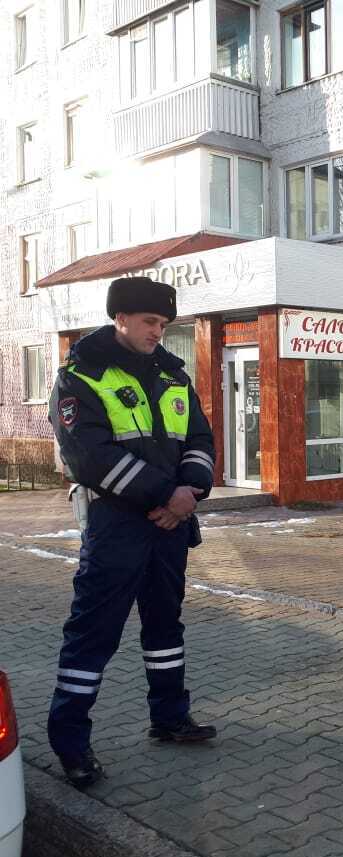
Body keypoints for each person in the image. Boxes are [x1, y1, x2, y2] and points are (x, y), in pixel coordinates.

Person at [47, 276, 218, 789]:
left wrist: (191, 491)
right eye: (149, 322)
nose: (157, 333)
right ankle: (70, 742)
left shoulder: (172, 376)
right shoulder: (80, 376)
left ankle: (169, 717)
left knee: (166, 628)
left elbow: (200, 438)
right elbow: (90, 455)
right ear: (120, 318)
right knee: (93, 634)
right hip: (116, 526)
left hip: (169, 527)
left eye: (164, 325)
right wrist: (167, 496)